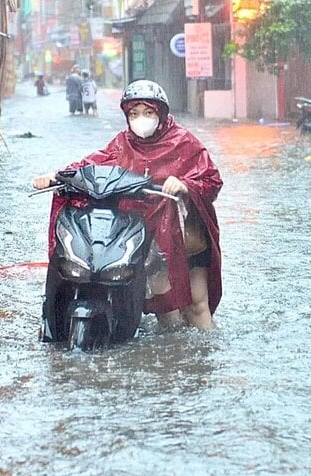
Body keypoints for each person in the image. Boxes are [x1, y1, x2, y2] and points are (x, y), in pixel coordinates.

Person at [32, 80, 223, 330]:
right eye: (133, 114)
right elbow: (92, 165)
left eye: (148, 112)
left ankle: (208, 358)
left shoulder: (184, 142)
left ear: (161, 113)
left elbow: (212, 179)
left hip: (184, 238)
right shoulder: (123, 143)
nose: (140, 119)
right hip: (146, 239)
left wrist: (185, 183)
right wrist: (56, 176)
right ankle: (174, 361)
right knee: (165, 309)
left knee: (197, 307)